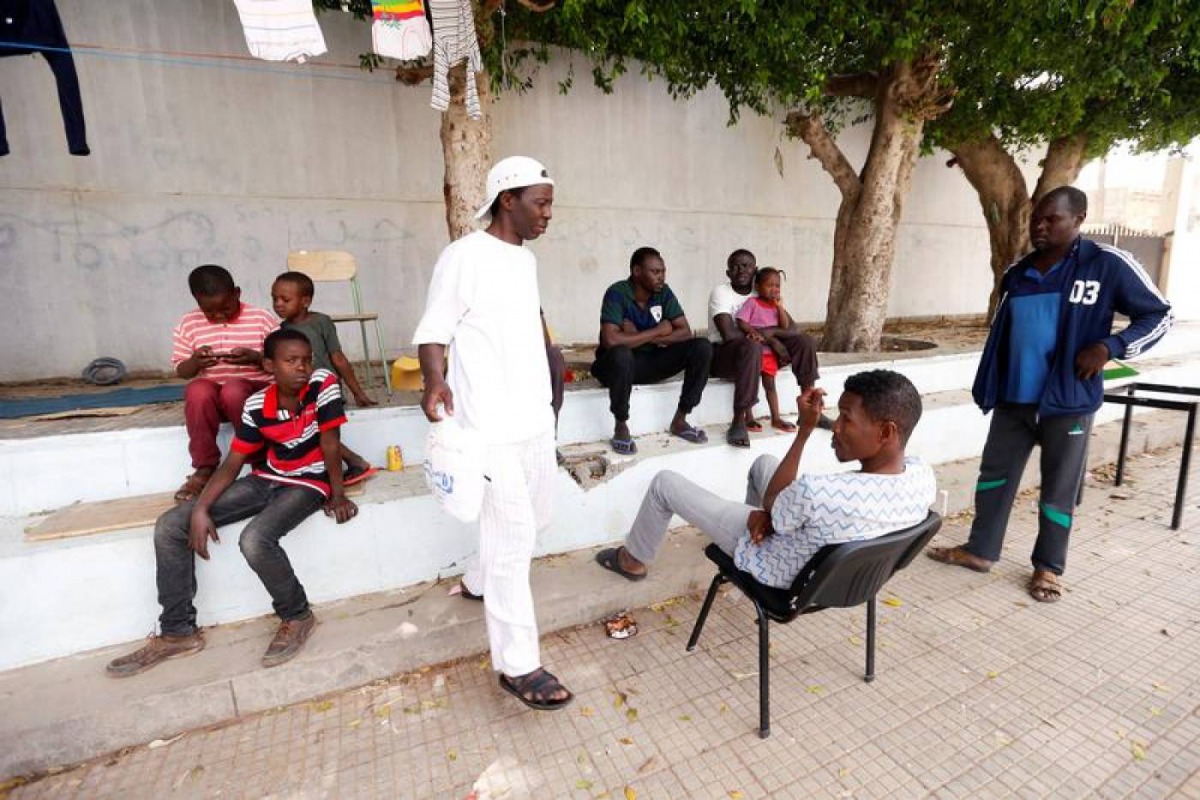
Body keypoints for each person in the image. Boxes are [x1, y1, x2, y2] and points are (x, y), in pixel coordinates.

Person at [927, 186, 1174, 603]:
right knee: (994, 479)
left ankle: (1048, 568)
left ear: (1078, 220)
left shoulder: (1107, 264)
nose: (1039, 227)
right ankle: (980, 551)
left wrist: (1110, 347)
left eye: (1050, 220)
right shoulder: (1018, 271)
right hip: (1013, 400)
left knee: (1058, 489)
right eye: (1034, 220)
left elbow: (1159, 314)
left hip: (1067, 401)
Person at [413, 155, 572, 711]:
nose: (549, 213)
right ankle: (518, 664)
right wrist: (435, 381)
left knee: (536, 519)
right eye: (541, 202)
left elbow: (528, 328)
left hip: (532, 419)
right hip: (488, 427)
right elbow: (434, 330)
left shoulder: (524, 261)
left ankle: (477, 581)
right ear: (509, 200)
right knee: (513, 544)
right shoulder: (463, 256)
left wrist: (552, 378)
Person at [107, 330, 359, 677]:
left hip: (309, 482)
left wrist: (337, 493)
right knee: (169, 525)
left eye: (306, 359)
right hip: (267, 477)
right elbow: (232, 463)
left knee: (255, 539)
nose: (301, 367)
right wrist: (200, 508)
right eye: (291, 361)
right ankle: (178, 632)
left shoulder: (322, 383)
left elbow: (330, 442)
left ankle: (297, 615)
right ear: (269, 365)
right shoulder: (257, 406)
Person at [595, 370, 936, 588]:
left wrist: (804, 430)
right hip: (839, 575)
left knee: (664, 483)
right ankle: (749, 524)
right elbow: (787, 505)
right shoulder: (922, 478)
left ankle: (633, 559)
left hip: (777, 568)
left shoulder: (817, 493)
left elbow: (782, 502)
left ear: (886, 432)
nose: (835, 427)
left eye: (846, 419)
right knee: (764, 463)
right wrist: (773, 515)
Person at [171, 264, 278, 503]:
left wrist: (256, 358)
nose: (219, 316)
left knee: (234, 389)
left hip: (255, 397)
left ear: (237, 293)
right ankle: (205, 468)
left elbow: (281, 360)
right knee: (197, 389)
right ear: (197, 301)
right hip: (213, 402)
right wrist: (195, 361)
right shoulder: (188, 323)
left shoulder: (261, 318)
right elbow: (182, 370)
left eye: (226, 308)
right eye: (209, 311)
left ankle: (259, 460)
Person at [591, 247, 713, 455]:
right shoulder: (617, 292)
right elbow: (611, 340)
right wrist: (657, 330)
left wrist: (640, 336)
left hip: (650, 362)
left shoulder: (664, 293)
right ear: (637, 271)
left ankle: (681, 419)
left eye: (663, 271)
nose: (661, 277)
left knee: (702, 347)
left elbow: (684, 332)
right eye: (655, 272)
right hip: (615, 368)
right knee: (621, 353)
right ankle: (621, 425)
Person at [708, 248, 825, 448]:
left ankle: (810, 408)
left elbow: (794, 329)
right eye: (735, 266)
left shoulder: (763, 289)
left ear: (755, 270)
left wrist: (772, 333)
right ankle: (738, 420)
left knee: (804, 341)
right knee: (751, 345)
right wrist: (771, 340)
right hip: (725, 355)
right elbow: (729, 334)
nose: (741, 270)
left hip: (760, 353)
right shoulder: (722, 292)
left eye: (746, 266)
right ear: (728, 272)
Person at [271, 271, 378, 484]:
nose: (278, 304)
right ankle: (349, 463)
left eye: (285, 299)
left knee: (314, 427)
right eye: (274, 298)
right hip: (302, 393)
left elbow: (338, 358)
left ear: (305, 301)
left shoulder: (321, 322)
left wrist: (358, 393)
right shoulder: (282, 330)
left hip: (326, 390)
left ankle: (353, 462)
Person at [736, 267, 798, 433]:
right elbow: (741, 321)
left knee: (770, 385)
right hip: (755, 353)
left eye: (777, 286)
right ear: (757, 286)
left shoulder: (775, 307)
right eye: (769, 285)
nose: (774, 289)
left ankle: (776, 417)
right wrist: (753, 332)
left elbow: (784, 326)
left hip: (770, 354)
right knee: (752, 383)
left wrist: (779, 307)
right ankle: (748, 417)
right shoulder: (752, 303)